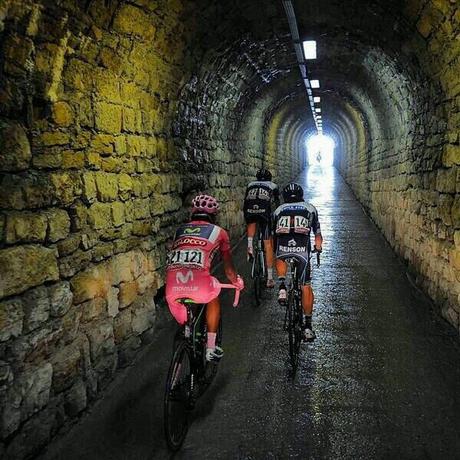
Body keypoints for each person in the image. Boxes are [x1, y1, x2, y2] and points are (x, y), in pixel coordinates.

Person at [165, 194, 244, 361]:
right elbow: (229, 271)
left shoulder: (179, 231)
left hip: (172, 289)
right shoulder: (220, 232)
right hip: (200, 287)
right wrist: (236, 282)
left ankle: (185, 339)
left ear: (192, 213)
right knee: (213, 295)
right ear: (214, 215)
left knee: (186, 324)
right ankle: (210, 347)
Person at [273, 183, 323, 341]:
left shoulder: (278, 210)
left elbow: (273, 233)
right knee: (306, 286)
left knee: (280, 253)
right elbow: (317, 234)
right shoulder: (310, 208)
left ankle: (281, 286)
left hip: (283, 248)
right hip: (302, 251)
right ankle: (307, 327)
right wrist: (318, 247)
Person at [243, 168, 280, 288]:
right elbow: (277, 204)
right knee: (268, 244)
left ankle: (249, 245)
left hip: (250, 211)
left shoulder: (250, 185)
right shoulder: (273, 186)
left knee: (251, 219)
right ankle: (269, 278)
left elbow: (246, 200)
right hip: (264, 214)